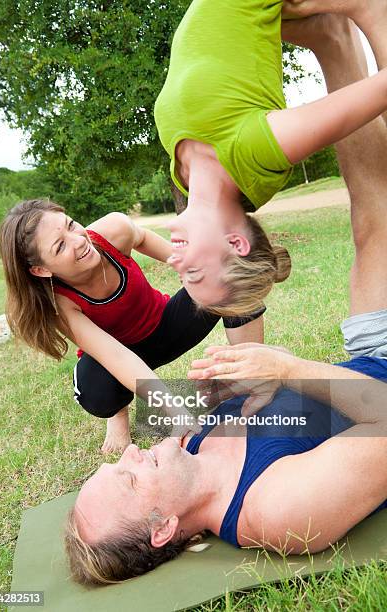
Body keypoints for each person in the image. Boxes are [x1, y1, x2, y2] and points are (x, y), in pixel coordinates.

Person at [65, 12, 387, 585]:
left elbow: (293, 407)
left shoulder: (189, 444)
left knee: (373, 220)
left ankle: (337, 43)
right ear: (164, 527)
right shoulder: (279, 513)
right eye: (131, 478)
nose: (132, 454)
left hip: (370, 356)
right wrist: (287, 369)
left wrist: (236, 388)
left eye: (121, 462)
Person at [157, 0, 387, 317]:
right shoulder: (255, 154)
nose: (173, 262)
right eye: (193, 273)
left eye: (182, 277)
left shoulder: (183, 173)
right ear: (236, 244)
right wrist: (371, 11)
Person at [0, 200, 264, 454]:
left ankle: (252, 377)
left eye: (70, 224)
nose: (79, 241)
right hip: (115, 357)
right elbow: (116, 356)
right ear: (41, 270)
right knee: (97, 395)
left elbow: (144, 238)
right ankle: (118, 413)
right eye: (59, 247)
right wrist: (177, 412)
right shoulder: (60, 305)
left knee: (227, 274)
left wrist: (191, 268)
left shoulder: (113, 230)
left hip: (163, 326)